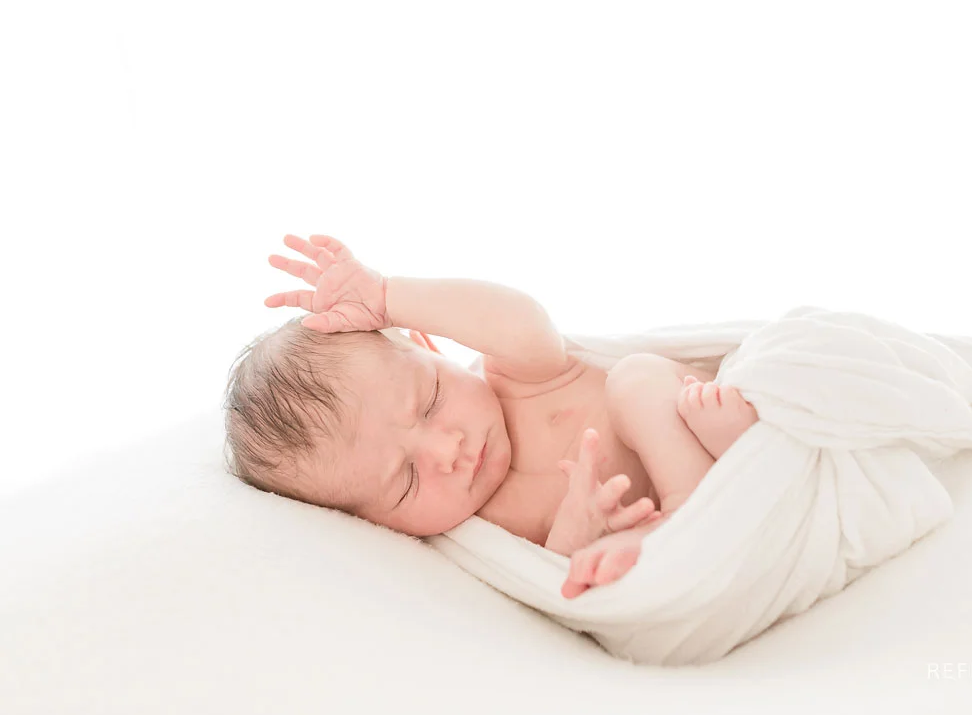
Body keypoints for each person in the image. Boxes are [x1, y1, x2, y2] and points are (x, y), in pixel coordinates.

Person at [224, 234, 759, 598]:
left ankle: (704, 484)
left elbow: (525, 324)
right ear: (370, 523)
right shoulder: (484, 527)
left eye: (429, 400)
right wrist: (576, 535)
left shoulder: (515, 378)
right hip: (653, 523)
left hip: (691, 422)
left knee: (638, 380)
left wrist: (390, 297)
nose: (445, 451)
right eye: (404, 481)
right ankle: (719, 475)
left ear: (428, 343)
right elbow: (548, 583)